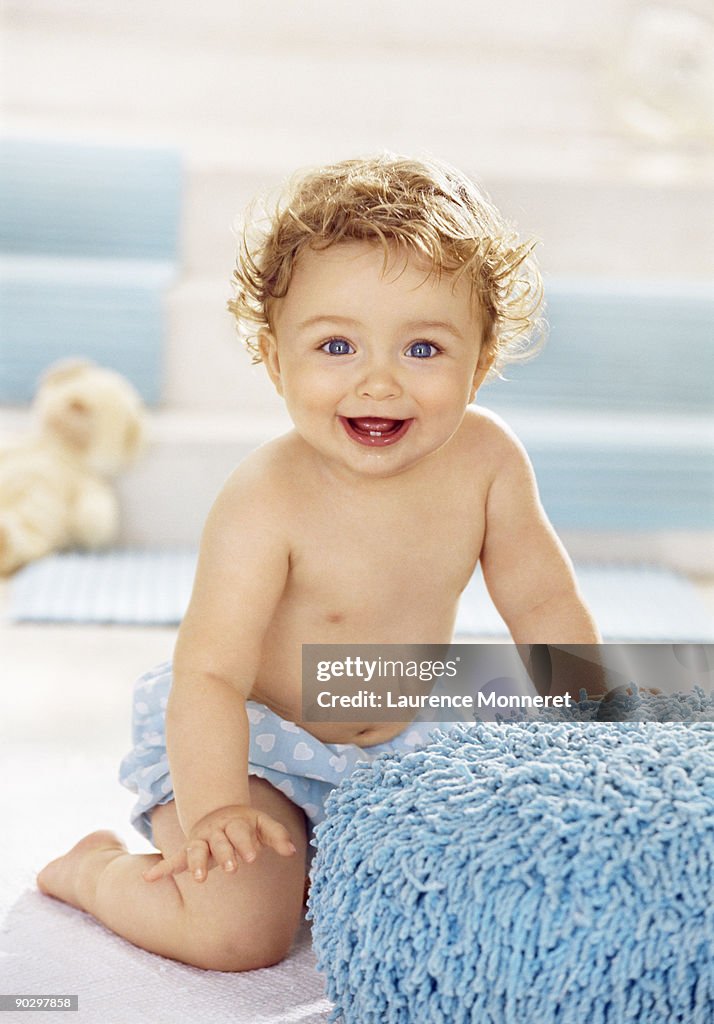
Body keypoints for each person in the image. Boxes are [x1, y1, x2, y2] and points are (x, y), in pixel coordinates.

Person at [38, 154, 600, 972]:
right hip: (255, 746)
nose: (379, 381)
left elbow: (545, 606)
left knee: (507, 881)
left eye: (423, 349)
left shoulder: (487, 462)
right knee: (239, 932)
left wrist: (595, 732)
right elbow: (209, 679)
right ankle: (95, 872)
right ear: (275, 361)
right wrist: (219, 807)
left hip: (406, 741)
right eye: (336, 345)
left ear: (479, 366)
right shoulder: (267, 498)